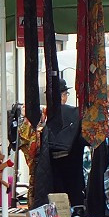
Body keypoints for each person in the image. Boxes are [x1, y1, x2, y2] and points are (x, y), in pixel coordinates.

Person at [44, 76, 86, 206]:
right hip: (73, 173)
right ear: (62, 96)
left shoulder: (45, 116)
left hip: (50, 175)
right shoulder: (76, 114)